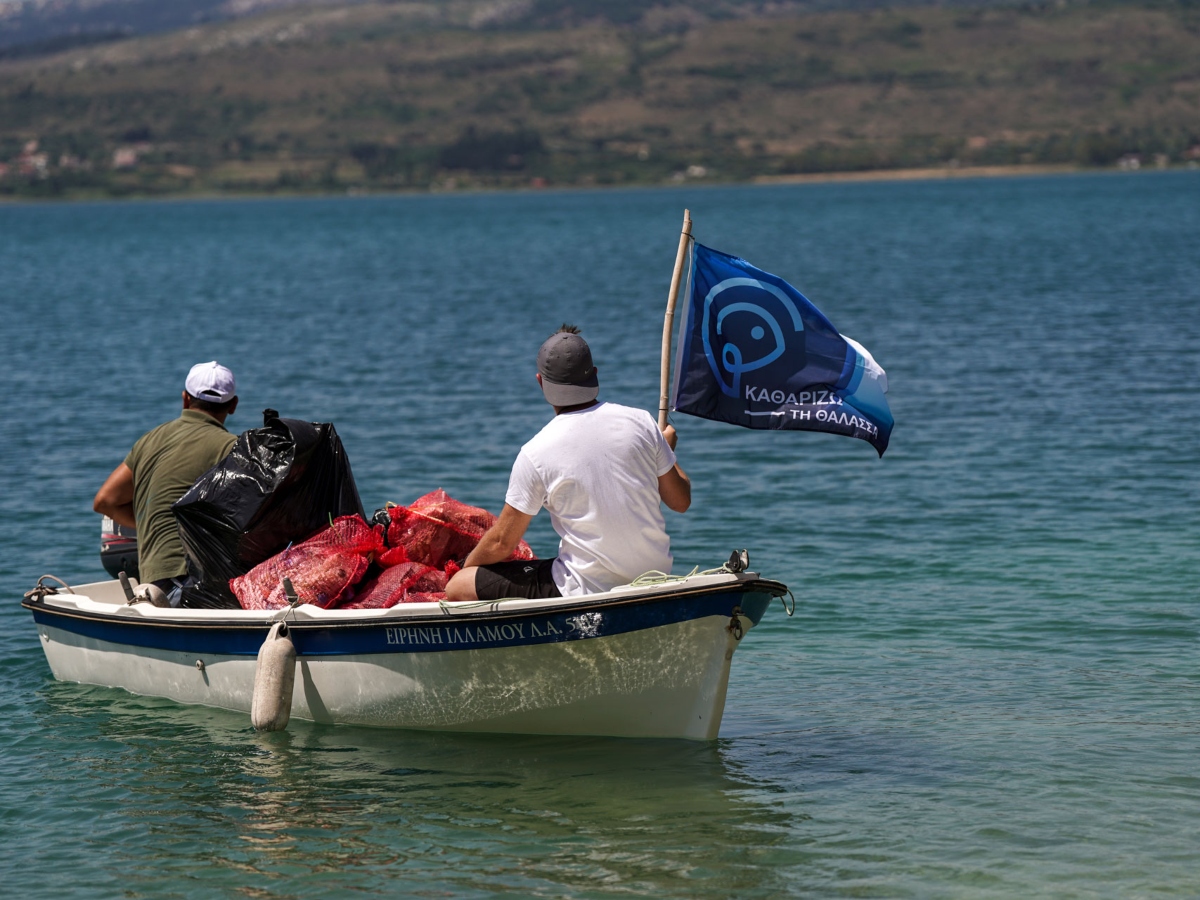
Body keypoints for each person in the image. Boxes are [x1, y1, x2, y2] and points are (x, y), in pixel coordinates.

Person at [446, 326, 691, 601]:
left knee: (459, 586)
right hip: (653, 577)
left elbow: (503, 542)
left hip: (586, 587)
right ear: (595, 374)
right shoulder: (642, 422)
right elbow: (680, 501)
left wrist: (467, 568)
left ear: (540, 382)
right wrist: (666, 450)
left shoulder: (536, 451)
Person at [93, 361, 239, 606]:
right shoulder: (231, 447)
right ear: (233, 406)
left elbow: (105, 501)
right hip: (195, 583)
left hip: (151, 582)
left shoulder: (149, 440)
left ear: (185, 399)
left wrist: (150, 525)